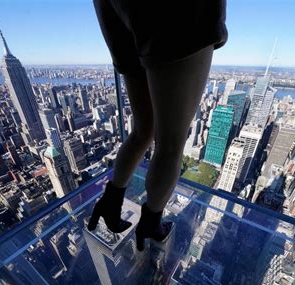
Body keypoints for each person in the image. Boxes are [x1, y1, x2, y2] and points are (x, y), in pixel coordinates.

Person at [88, 0, 227, 251]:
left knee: (144, 129)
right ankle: (151, 224)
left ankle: (111, 201)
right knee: (171, 144)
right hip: (178, 13)